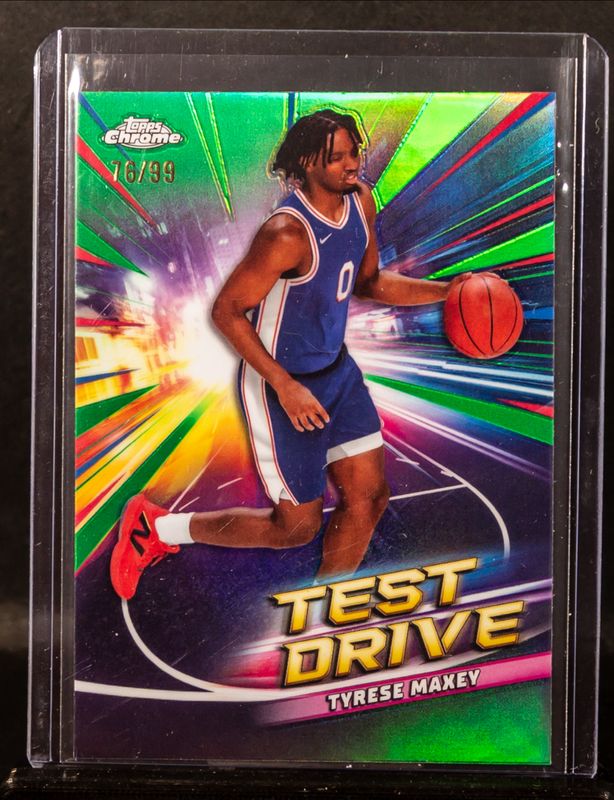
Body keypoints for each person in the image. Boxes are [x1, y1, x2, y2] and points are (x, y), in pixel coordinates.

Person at [110, 108, 471, 601]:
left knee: (369, 498)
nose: (352, 164)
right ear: (307, 163)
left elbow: (369, 282)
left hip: (337, 375)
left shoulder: (361, 201)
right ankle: (156, 529)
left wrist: (449, 292)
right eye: (338, 157)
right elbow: (227, 311)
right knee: (296, 527)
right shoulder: (286, 234)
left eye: (355, 152)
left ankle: (327, 606)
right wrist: (285, 386)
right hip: (281, 386)